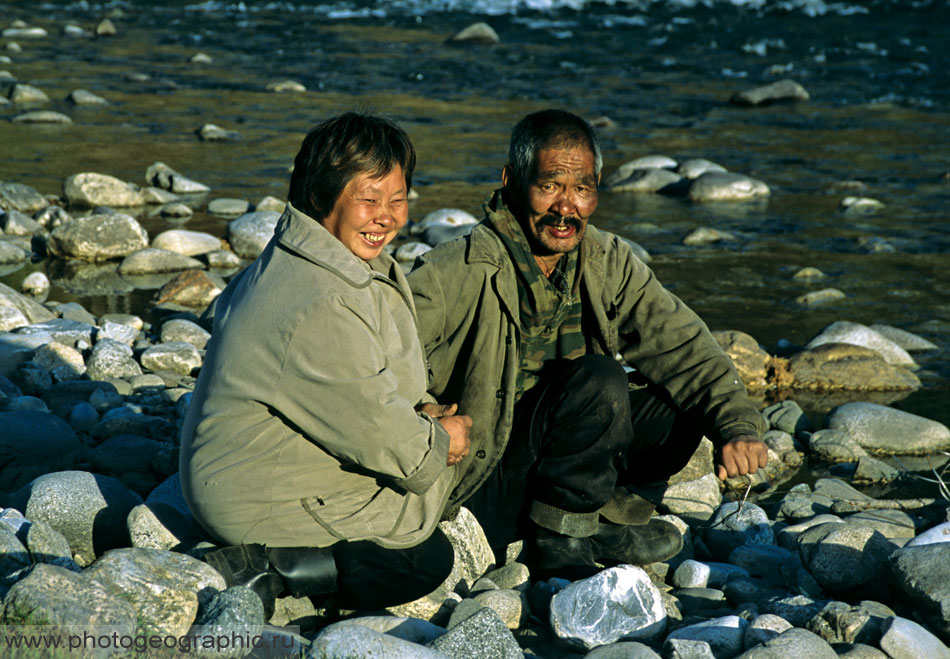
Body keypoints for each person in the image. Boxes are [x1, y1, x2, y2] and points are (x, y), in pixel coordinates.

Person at [407, 109, 768, 579]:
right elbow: (381, 359)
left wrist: (737, 427)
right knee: (600, 378)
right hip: (489, 475)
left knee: (682, 404)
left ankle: (599, 520)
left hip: (563, 457)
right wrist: (423, 414)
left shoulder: (605, 260)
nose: (565, 208)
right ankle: (561, 540)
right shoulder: (457, 269)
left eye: (581, 189)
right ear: (511, 181)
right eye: (549, 186)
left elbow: (685, 346)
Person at [179, 112, 472, 616]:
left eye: (397, 200)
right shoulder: (319, 301)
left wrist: (419, 412)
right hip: (252, 497)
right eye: (369, 200)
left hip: (251, 469)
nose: (387, 217)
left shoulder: (310, 257)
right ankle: (271, 568)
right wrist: (441, 440)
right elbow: (381, 434)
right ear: (321, 195)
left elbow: (358, 388)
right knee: (422, 559)